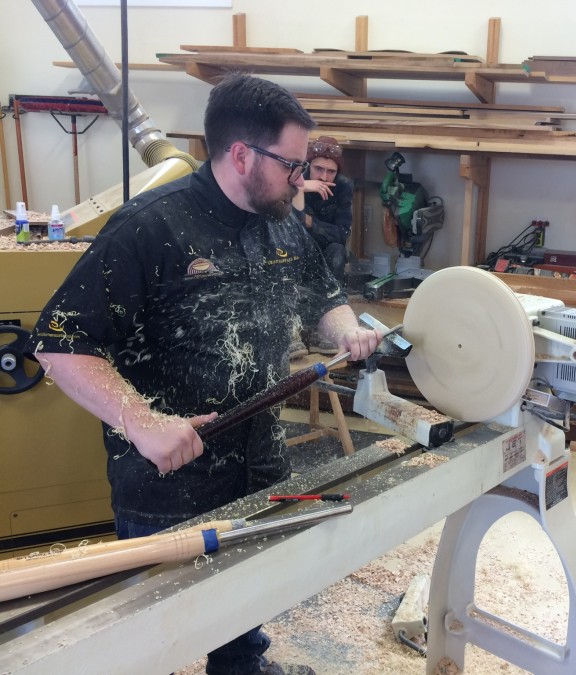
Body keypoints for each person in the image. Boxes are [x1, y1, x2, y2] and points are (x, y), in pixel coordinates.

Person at [27, 73, 381, 675]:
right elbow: (58, 342)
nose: (304, 181)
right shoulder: (150, 227)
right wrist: (140, 421)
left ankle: (241, 667)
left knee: (244, 593)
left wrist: (346, 329)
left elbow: (321, 296)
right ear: (242, 154)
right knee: (153, 623)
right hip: (169, 476)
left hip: (258, 458)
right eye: (293, 166)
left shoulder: (281, 222)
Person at [294, 135, 352, 287]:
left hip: (326, 248)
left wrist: (309, 221)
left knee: (337, 252)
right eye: (318, 169)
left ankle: (334, 302)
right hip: (297, 248)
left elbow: (342, 235)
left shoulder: (343, 186)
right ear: (308, 166)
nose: (324, 177)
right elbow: (284, 224)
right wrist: (300, 188)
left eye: (331, 172)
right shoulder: (296, 179)